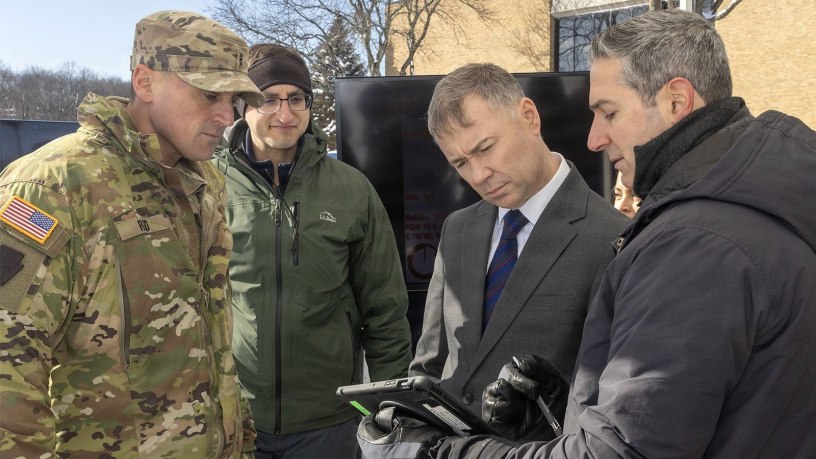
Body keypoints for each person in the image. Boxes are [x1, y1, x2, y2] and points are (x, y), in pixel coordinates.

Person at [356, 9, 816, 458]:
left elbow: (624, 444)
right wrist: (556, 405)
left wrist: (445, 453)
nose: (594, 137)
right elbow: (659, 407)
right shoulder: (735, 212)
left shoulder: (682, 241)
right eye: (460, 163)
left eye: (608, 112)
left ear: (677, 100)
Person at [0, 10, 265, 458]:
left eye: (234, 99)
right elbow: (8, 364)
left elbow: (212, 340)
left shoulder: (204, 183)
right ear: (145, 83)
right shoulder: (53, 186)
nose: (227, 116)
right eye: (208, 94)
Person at [407, 62, 628, 440]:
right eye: (460, 163)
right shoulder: (458, 229)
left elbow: (609, 400)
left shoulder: (613, 238)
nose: (478, 175)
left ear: (529, 117)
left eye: (486, 148)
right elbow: (431, 365)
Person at [212, 43, 413, 458]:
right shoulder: (206, 187)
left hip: (330, 422)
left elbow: (385, 309)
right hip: (234, 417)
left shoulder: (351, 189)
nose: (285, 114)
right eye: (268, 99)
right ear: (241, 105)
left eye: (297, 99)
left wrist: (394, 407)